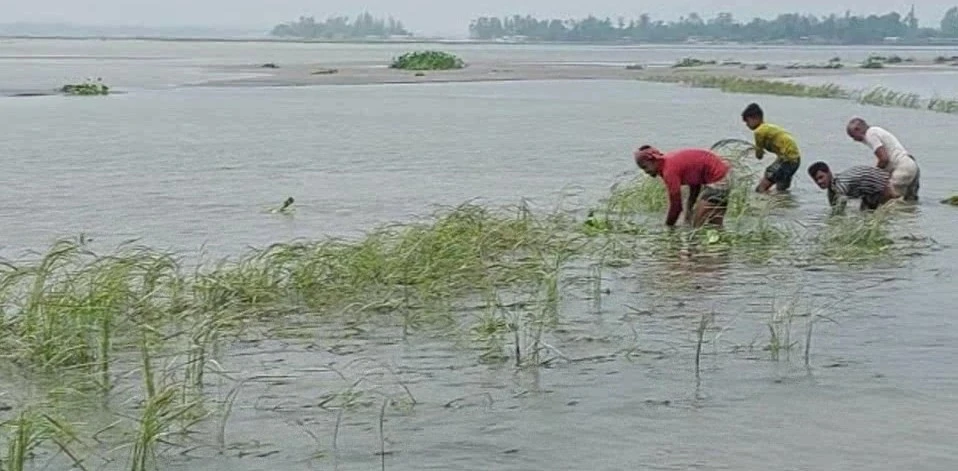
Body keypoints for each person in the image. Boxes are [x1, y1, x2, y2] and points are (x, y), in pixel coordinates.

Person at [634, 145, 731, 228]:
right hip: (722, 176)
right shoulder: (668, 162)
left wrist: (668, 227)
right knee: (714, 226)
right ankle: (720, 249)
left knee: (696, 227)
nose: (646, 172)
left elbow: (676, 206)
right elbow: (695, 183)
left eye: (645, 167)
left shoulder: (669, 171)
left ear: (654, 160)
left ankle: (693, 249)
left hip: (718, 180)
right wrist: (689, 209)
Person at [845, 117, 920, 201]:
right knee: (909, 201)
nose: (855, 140)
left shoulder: (870, 134)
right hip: (911, 165)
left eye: (853, 136)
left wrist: (873, 175)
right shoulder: (876, 130)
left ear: (858, 129)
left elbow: (884, 159)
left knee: (890, 198)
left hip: (903, 167)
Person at [741, 103, 802, 193]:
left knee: (760, 189)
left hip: (787, 159)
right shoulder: (768, 127)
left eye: (747, 121)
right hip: (795, 160)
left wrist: (757, 150)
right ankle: (780, 205)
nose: (747, 125)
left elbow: (759, 156)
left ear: (755, 118)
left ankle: (765, 204)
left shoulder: (759, 132)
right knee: (781, 191)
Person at [807, 161, 896, 212]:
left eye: (821, 177)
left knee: (892, 210)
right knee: (867, 218)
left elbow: (840, 209)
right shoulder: (832, 186)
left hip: (883, 185)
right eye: (816, 180)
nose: (819, 182)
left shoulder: (840, 185)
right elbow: (834, 209)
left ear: (829, 173)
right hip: (867, 192)